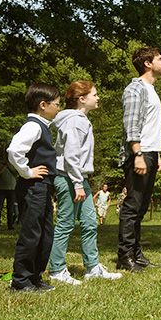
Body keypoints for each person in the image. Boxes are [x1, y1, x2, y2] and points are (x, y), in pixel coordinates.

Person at [48, 81, 122, 284]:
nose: (98, 98)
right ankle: (56, 270)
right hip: (69, 178)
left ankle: (92, 267)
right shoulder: (74, 121)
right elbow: (71, 155)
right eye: (94, 95)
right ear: (82, 99)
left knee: (90, 223)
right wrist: (77, 184)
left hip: (80, 179)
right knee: (65, 224)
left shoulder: (79, 119)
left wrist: (81, 182)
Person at [6, 83, 61, 293]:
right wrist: (27, 172)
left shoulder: (42, 126)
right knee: (31, 233)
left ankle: (35, 278)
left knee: (46, 234)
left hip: (43, 187)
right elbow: (14, 150)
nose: (58, 108)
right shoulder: (33, 126)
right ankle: (20, 281)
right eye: (56, 104)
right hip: (33, 188)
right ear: (43, 105)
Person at [117, 47, 161, 272]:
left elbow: (151, 126)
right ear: (147, 64)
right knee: (132, 206)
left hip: (149, 153)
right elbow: (131, 124)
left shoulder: (151, 89)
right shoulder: (135, 89)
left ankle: (136, 254)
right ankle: (124, 256)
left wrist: (156, 155)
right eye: (159, 58)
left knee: (142, 207)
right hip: (139, 153)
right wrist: (138, 154)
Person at [0, 160, 18, 230]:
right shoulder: (0, 164)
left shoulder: (14, 165)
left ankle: (10, 225)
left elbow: (17, 174)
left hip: (12, 189)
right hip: (1, 188)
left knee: (10, 208)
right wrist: (6, 165)